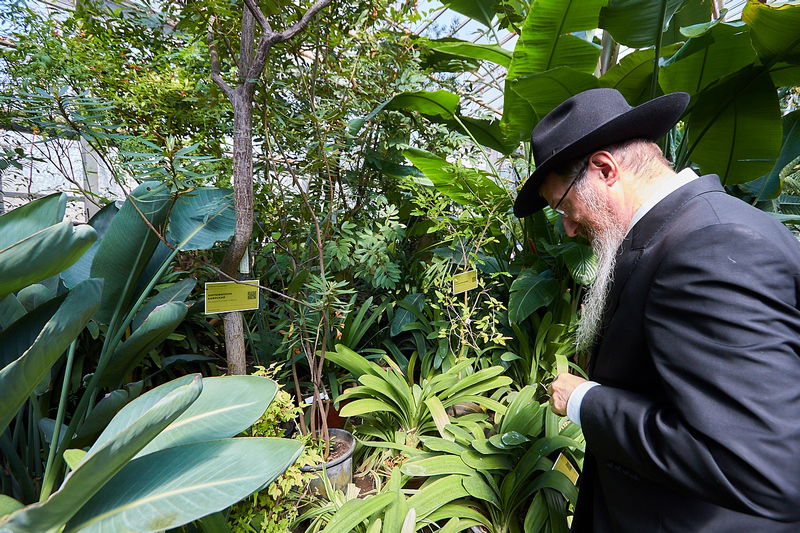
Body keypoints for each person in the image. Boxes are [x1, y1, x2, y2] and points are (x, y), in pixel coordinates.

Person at [514, 88, 800, 532]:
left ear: (604, 169)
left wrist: (586, 401)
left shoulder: (710, 245)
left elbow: (760, 465)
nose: (568, 227)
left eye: (564, 206)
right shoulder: (702, 227)